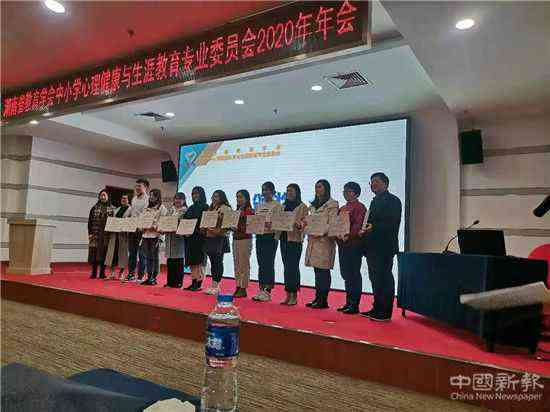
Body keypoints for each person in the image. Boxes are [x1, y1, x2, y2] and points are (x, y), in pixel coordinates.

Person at [360, 172, 402, 322]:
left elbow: (392, 223)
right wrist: (364, 230)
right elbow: (369, 222)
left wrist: (373, 227)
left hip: (384, 247)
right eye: (371, 182)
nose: (373, 184)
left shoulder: (393, 201)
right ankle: (377, 307)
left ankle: (385, 312)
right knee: (375, 279)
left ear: (386, 183)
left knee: (384, 278)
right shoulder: (374, 201)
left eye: (376, 181)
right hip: (372, 246)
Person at [304, 180, 339, 309]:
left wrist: (319, 231)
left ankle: (323, 300)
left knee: (323, 271)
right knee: (317, 271)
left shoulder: (332, 204)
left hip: (324, 242)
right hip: (314, 241)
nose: (317, 189)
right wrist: (304, 225)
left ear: (326, 189)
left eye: (320, 187)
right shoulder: (313, 205)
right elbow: (310, 221)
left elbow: (332, 223)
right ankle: (317, 298)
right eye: (316, 187)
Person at [336, 182, 367, 314]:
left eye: (348, 191)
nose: (345, 193)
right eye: (344, 191)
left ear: (356, 193)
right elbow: (337, 224)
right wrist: (337, 235)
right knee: (346, 274)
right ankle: (348, 302)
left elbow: (358, 225)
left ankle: (354, 304)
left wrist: (349, 235)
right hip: (343, 244)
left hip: (354, 245)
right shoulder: (343, 208)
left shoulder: (360, 207)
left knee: (354, 274)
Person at [252, 181, 283, 302]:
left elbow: (279, 223)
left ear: (273, 191)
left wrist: (271, 225)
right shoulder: (259, 205)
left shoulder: (277, 205)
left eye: (267, 190)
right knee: (261, 263)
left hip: (271, 237)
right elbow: (255, 220)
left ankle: (268, 291)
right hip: (260, 236)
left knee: (268, 263)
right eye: (263, 190)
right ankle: (261, 289)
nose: (265, 192)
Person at [280, 184, 308, 306]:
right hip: (283, 239)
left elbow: (305, 223)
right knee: (286, 268)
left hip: (295, 240)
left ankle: (294, 295)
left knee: (293, 268)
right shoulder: (283, 206)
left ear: (297, 192)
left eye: (291, 190)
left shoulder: (303, 207)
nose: (289, 193)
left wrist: (299, 225)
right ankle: (288, 294)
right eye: (287, 191)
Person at [203, 190, 232, 295]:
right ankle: (213, 284)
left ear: (222, 198)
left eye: (217, 196)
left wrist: (219, 224)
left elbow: (228, 224)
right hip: (210, 237)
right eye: (213, 196)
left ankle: (217, 285)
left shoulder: (226, 208)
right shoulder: (211, 208)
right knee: (213, 262)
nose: (214, 198)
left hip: (219, 238)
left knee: (218, 261)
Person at [183, 186, 209, 291]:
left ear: (201, 194)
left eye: (197, 193)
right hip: (190, 238)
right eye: (193, 194)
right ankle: (193, 281)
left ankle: (199, 283)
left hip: (200, 238)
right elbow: (185, 221)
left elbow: (205, 223)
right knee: (192, 261)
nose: (194, 196)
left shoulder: (206, 207)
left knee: (199, 261)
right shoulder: (190, 208)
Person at [140, 189, 168, 286]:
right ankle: (149, 277)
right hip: (146, 235)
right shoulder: (146, 207)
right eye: (150, 195)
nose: (151, 197)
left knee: (154, 257)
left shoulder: (162, 208)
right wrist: (141, 226)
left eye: (153, 196)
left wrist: (154, 226)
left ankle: (154, 277)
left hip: (155, 236)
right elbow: (142, 219)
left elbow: (163, 222)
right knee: (147, 257)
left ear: (158, 197)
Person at [88, 189, 115, 279]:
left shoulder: (112, 209)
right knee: (94, 254)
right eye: (101, 195)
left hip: (106, 235)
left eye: (104, 195)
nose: (103, 197)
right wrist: (90, 233)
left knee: (104, 254)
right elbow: (90, 221)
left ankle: (102, 273)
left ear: (108, 197)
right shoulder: (94, 207)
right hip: (95, 234)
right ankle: (94, 273)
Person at [232, 190, 255, 298]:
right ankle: (237, 285)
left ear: (247, 198)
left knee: (244, 264)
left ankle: (243, 287)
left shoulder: (250, 211)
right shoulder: (236, 211)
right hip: (235, 239)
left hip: (245, 240)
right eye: (237, 197)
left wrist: (239, 224)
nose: (238, 199)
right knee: (237, 264)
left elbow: (250, 227)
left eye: (241, 197)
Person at [127, 178, 150, 282]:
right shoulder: (134, 199)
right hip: (132, 229)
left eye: (139, 186)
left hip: (141, 230)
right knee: (132, 253)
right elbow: (132, 213)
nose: (137, 188)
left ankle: (141, 276)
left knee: (142, 254)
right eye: (136, 186)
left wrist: (140, 225)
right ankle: (131, 274)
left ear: (145, 187)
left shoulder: (147, 200)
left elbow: (144, 215)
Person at [105, 194, 132, 280]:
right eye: (122, 198)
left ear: (128, 200)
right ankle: (112, 273)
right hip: (114, 235)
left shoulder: (130, 210)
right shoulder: (116, 209)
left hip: (123, 235)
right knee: (112, 254)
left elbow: (131, 222)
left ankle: (121, 274)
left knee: (122, 255)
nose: (123, 199)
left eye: (125, 198)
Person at [164, 192, 188, 288]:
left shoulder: (185, 211)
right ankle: (170, 282)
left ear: (184, 200)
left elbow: (184, 224)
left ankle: (178, 282)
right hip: (169, 237)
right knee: (170, 261)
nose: (177, 200)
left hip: (179, 238)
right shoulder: (170, 210)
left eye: (180, 199)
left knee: (178, 261)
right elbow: (165, 221)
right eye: (176, 198)